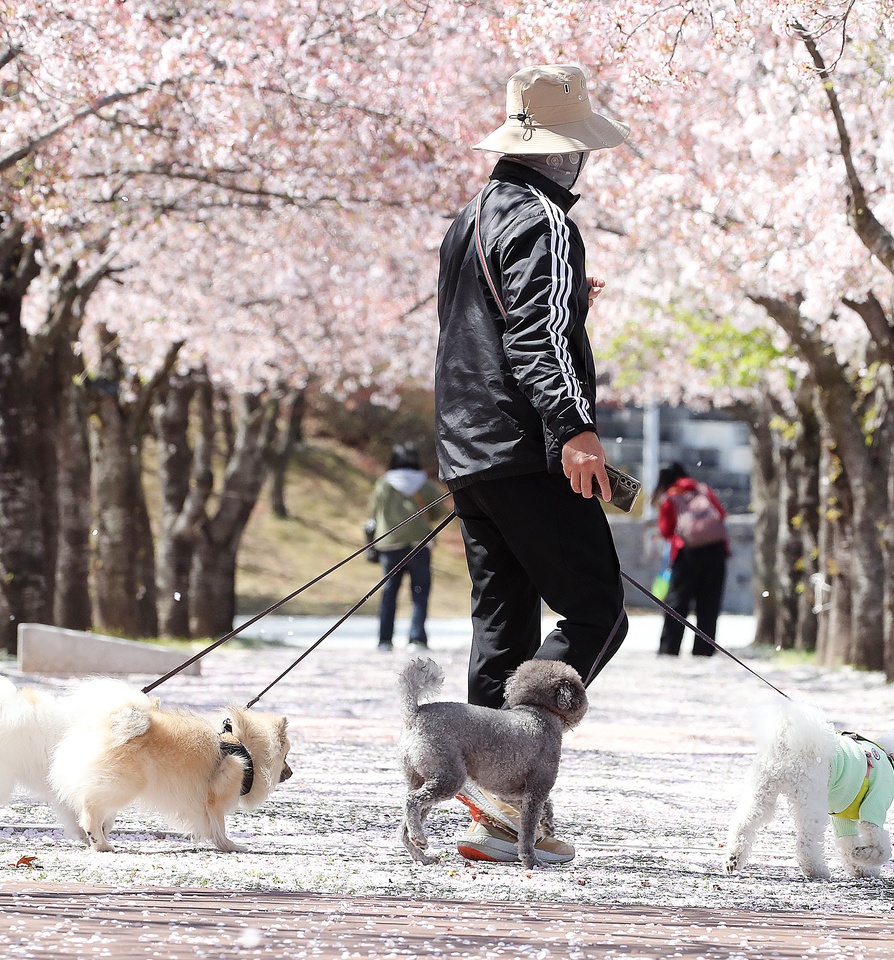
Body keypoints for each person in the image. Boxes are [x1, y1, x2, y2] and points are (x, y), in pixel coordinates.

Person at [434, 63, 631, 864]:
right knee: (596, 612)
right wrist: (574, 426)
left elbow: (481, 328)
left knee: (503, 620)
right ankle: (513, 779)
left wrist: (569, 302)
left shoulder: (470, 217)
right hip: (528, 447)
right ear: (563, 153)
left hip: (469, 450)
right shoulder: (545, 221)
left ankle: (488, 801)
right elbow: (532, 340)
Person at [367, 442, 448, 651]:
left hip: (390, 546)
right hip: (419, 545)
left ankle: (385, 640)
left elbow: (373, 513)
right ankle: (416, 639)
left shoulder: (383, 484)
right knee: (420, 593)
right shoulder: (425, 484)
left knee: (389, 594)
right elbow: (439, 511)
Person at [654, 462, 730, 657]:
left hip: (687, 555)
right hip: (716, 552)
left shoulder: (670, 496)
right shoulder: (702, 490)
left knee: (677, 605)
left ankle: (669, 650)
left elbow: (666, 530)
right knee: (709, 604)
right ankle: (704, 650)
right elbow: (721, 514)